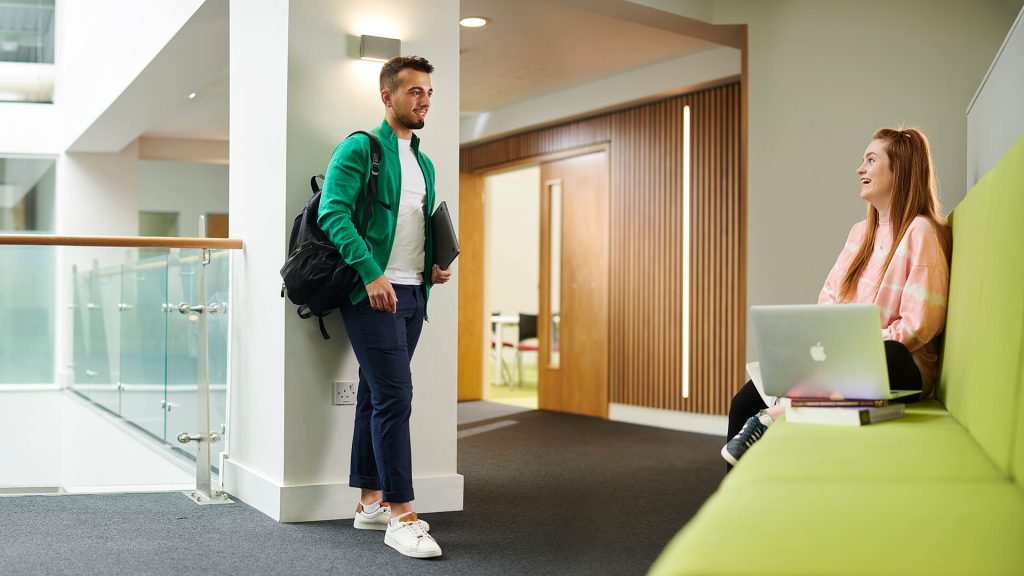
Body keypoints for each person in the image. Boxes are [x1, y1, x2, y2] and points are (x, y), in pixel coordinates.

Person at [721, 127, 952, 466]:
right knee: (742, 403)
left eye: (871, 160)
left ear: (899, 169)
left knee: (891, 354)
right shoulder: (859, 234)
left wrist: (853, 343)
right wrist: (829, 343)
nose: (860, 169)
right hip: (839, 357)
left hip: (898, 363)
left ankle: (778, 412)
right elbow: (827, 299)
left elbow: (920, 326)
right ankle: (732, 507)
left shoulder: (921, 232)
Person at [318, 55, 451, 559]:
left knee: (376, 395)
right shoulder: (361, 148)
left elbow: (415, 225)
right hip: (372, 292)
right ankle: (402, 513)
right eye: (415, 92)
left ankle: (369, 502)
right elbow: (333, 212)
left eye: (429, 93)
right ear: (387, 96)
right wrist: (370, 271)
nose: (424, 101)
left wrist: (434, 265)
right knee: (396, 398)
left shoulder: (424, 160)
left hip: (414, 293)